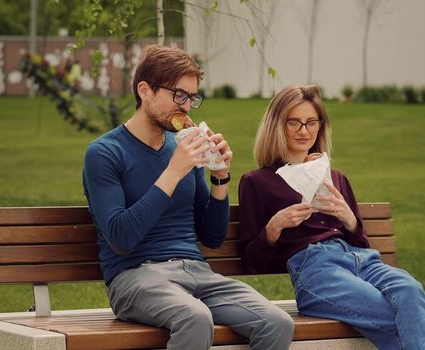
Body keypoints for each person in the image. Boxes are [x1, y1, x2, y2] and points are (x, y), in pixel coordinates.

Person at [82, 45, 293, 350]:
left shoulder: (182, 146)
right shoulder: (104, 153)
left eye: (192, 98)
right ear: (145, 90)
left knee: (276, 322)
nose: (186, 107)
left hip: (196, 272)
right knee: (195, 317)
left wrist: (219, 176)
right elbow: (120, 238)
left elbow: (212, 236)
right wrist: (172, 172)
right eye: (179, 95)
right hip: (134, 277)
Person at [238, 85, 425, 349]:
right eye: (294, 122)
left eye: (312, 122)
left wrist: (349, 219)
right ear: (277, 126)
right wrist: (274, 227)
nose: (304, 131)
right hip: (316, 269)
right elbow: (250, 261)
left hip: (361, 261)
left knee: (411, 291)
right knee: (409, 317)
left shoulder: (335, 177)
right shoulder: (257, 181)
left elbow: (361, 243)